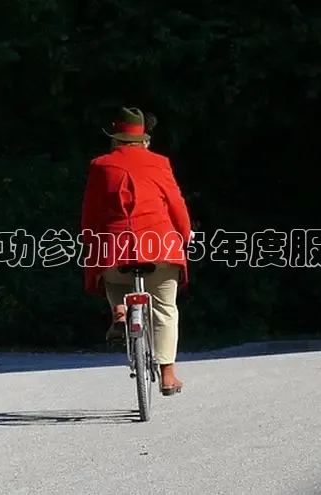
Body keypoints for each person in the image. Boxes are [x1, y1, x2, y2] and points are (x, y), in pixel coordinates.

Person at [80, 106, 193, 396]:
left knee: (113, 278)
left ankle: (119, 313)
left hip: (115, 246)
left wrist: (90, 241)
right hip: (160, 246)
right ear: (144, 139)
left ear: (115, 138)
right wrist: (185, 233)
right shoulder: (159, 163)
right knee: (165, 308)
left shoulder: (100, 165)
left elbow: (90, 212)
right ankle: (168, 375)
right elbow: (175, 203)